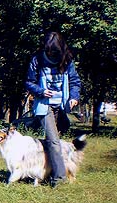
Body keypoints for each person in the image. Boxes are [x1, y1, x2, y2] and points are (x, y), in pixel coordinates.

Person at [25, 31, 82, 188]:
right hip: (45, 106)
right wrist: (41, 91)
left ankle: (45, 170)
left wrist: (74, 97)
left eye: (53, 52)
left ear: (60, 49)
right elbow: (29, 82)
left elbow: (75, 81)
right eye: (48, 51)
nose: (50, 54)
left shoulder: (67, 60)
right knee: (54, 141)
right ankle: (59, 179)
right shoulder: (37, 60)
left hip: (62, 106)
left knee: (56, 142)